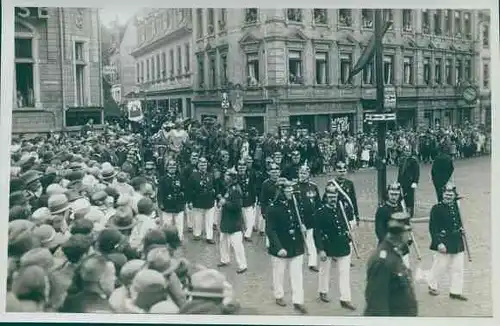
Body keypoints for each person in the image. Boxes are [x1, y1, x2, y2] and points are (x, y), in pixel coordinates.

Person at [364, 212, 418, 316]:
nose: (409, 237)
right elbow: (377, 302)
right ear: (400, 234)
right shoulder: (382, 261)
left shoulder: (394, 253)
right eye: (408, 232)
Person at [266, 180, 307, 314]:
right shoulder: (272, 208)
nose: (291, 192)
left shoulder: (295, 204)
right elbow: (270, 230)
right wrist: (279, 247)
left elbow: (299, 219)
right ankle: (279, 295)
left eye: (291, 189)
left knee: (297, 275)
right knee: (279, 273)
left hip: (296, 245)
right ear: (281, 191)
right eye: (288, 190)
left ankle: (298, 300)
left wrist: (302, 226)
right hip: (281, 247)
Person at [313, 183, 356, 310]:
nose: (333, 198)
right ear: (326, 197)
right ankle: (323, 290)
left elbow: (344, 224)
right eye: (331, 196)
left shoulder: (341, 209)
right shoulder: (320, 212)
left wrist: (348, 233)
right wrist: (320, 250)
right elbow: (317, 233)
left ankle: (345, 299)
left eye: (335, 196)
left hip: (342, 245)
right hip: (328, 246)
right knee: (324, 271)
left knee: (344, 273)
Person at [427, 183, 468, 301]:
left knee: (458, 267)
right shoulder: (437, 208)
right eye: (446, 194)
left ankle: (455, 291)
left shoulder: (457, 207)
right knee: (440, 266)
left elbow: (459, 222)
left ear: (454, 195)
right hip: (444, 240)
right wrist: (438, 242)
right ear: (442, 194)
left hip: (457, 240)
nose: (448, 196)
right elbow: (433, 228)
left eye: (451, 194)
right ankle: (432, 284)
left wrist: (461, 229)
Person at [217, 168, 247, 274]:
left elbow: (237, 206)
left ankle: (242, 265)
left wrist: (225, 203)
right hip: (227, 220)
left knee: (237, 244)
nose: (225, 177)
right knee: (223, 241)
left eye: (227, 176)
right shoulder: (229, 188)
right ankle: (225, 259)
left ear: (232, 178)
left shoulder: (236, 190)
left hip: (234, 221)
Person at [293, 164, 321, 272]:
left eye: (304, 173)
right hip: (298, 220)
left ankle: (312, 263)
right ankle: (295, 261)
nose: (302, 175)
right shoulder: (294, 187)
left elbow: (318, 203)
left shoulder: (313, 187)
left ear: (308, 174)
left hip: (311, 220)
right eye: (300, 173)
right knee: (297, 241)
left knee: (311, 241)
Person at [186, 157, 216, 244]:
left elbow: (215, 187)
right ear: (198, 165)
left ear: (207, 165)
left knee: (209, 220)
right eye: (201, 164)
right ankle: (197, 234)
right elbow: (189, 189)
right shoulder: (193, 176)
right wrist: (189, 201)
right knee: (197, 219)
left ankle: (209, 237)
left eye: (205, 164)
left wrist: (215, 195)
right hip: (197, 201)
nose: (203, 166)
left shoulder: (210, 175)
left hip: (209, 201)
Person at [158, 159, 186, 241]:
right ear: (167, 167)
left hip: (178, 204)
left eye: (174, 165)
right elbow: (160, 193)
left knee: (179, 223)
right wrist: (161, 204)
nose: (172, 167)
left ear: (176, 167)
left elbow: (184, 190)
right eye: (170, 165)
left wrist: (183, 199)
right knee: (167, 223)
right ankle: (167, 238)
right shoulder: (163, 179)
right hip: (167, 204)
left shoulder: (181, 178)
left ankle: (179, 238)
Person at [397, 146, 420, 217]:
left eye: (408, 151)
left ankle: (410, 212)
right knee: (403, 196)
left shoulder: (413, 160)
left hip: (410, 182)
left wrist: (415, 182)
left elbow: (416, 172)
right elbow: (400, 172)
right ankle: (404, 209)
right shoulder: (402, 159)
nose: (407, 152)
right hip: (403, 181)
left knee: (410, 197)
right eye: (406, 151)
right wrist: (398, 181)